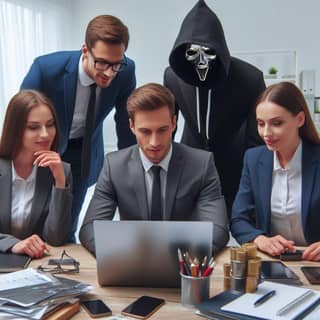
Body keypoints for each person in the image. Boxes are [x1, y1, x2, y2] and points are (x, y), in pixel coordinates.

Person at [21, 15, 136, 241]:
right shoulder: (45, 69)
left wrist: (130, 172)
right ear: (85, 50)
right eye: (102, 62)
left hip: (83, 154)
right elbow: (21, 118)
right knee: (33, 223)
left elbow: (125, 124)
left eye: (116, 64)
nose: (109, 72)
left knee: (65, 228)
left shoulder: (126, 70)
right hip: (43, 148)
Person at [80, 83, 229, 254]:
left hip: (184, 266)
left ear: (174, 123)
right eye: (145, 131)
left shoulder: (201, 164)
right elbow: (89, 229)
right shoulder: (114, 166)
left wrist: (174, 256)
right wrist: (120, 253)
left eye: (162, 130)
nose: (154, 142)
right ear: (131, 127)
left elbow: (218, 230)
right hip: (131, 261)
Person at [164, 0, 265, 215]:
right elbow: (168, 125)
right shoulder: (172, 75)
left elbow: (256, 137)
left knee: (233, 229)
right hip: (187, 169)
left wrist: (254, 183)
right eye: (193, 53)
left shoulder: (250, 78)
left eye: (208, 53)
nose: (201, 62)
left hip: (233, 169)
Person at [231, 82, 320, 261]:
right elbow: (238, 219)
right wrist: (259, 239)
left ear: (300, 119)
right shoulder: (253, 159)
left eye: (276, 123)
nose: (266, 133)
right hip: (273, 262)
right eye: (261, 124)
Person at [0, 90, 73, 258]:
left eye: (50, 124)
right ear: (15, 130)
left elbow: (55, 238)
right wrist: (14, 244)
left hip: (34, 265)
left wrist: (60, 182)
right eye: (33, 127)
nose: (45, 134)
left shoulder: (62, 171)